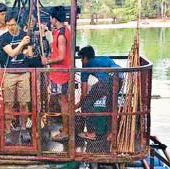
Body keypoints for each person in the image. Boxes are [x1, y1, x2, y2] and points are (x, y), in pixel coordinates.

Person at [0, 11, 32, 144]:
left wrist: (24, 47)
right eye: (8, 25)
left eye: (13, 24)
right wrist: (22, 45)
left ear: (18, 24)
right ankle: (7, 131)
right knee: (8, 103)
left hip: (23, 73)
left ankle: (24, 128)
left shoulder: (25, 35)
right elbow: (12, 53)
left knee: (24, 102)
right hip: (9, 74)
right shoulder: (4, 38)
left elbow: (29, 53)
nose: (11, 27)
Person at [77, 45, 122, 141]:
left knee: (87, 103)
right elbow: (108, 72)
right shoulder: (103, 58)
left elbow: (84, 92)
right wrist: (97, 85)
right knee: (111, 106)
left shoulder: (86, 66)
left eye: (81, 58)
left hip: (108, 81)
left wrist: (80, 103)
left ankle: (91, 133)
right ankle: (111, 134)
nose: (81, 61)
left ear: (85, 58)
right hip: (120, 77)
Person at [41, 6, 72, 142]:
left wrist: (47, 60)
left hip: (61, 73)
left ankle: (66, 130)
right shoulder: (62, 30)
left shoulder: (61, 35)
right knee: (62, 100)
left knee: (63, 101)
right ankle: (66, 128)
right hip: (59, 72)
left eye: (50, 18)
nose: (50, 20)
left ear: (54, 18)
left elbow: (61, 56)